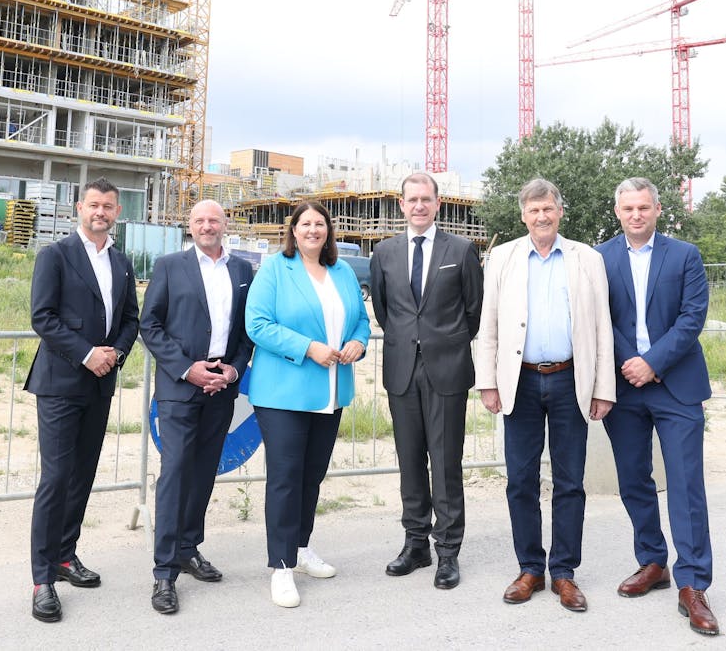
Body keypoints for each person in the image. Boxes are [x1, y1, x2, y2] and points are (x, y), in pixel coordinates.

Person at [473, 178, 615, 613]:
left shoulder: (587, 258)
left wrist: (603, 387)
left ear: (559, 212)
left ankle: (564, 573)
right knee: (521, 480)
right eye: (533, 210)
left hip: (572, 380)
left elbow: (602, 327)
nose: (541, 217)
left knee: (570, 482)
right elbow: (489, 322)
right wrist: (488, 381)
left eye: (548, 209)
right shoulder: (502, 257)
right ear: (523, 215)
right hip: (522, 381)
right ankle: (530, 568)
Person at [595, 177, 718, 636]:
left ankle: (694, 584)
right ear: (617, 211)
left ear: (658, 209)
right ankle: (652, 562)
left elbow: (692, 317)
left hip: (676, 386)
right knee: (634, 480)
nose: (636, 215)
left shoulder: (684, 255)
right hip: (625, 388)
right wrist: (632, 363)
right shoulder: (600, 258)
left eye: (643, 207)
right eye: (627, 209)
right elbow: (599, 317)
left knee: (686, 485)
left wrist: (652, 363)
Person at [245, 200, 372, 608]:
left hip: (330, 392)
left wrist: (358, 342)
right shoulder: (274, 270)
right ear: (293, 231)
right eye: (306, 224)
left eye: (320, 223)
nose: (313, 230)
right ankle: (281, 567)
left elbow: (361, 321)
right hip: (283, 393)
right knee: (285, 477)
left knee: (311, 476)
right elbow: (258, 324)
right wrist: (308, 348)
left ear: (328, 231)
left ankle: (300, 548)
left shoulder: (343, 272)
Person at [25, 178, 140, 623]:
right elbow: (43, 317)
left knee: (82, 475)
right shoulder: (55, 256)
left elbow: (130, 318)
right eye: (94, 204)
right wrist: (88, 353)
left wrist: (116, 353)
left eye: (109, 206)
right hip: (59, 384)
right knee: (55, 479)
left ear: (117, 212)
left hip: (100, 384)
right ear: (79, 208)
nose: (101, 212)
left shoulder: (122, 262)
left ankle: (66, 555)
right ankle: (42, 579)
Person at [139, 199, 255, 615]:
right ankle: (164, 572)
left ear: (225, 225)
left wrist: (234, 372)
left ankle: (189, 548)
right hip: (180, 388)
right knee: (175, 473)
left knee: (204, 470)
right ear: (189, 226)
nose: (207, 226)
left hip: (220, 390)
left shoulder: (242, 270)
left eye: (214, 220)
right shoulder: (170, 265)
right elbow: (148, 324)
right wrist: (186, 369)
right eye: (200, 220)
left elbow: (247, 331)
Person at [368, 172, 483, 589]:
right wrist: (410, 341)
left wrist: (442, 342)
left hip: (447, 369)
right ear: (402, 205)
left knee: (446, 463)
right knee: (410, 461)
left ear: (438, 204)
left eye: (426, 199)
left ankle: (447, 552)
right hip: (402, 370)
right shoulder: (384, 252)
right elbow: (385, 311)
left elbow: (473, 311)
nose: (419, 206)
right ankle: (415, 543)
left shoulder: (462, 249)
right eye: (411, 199)